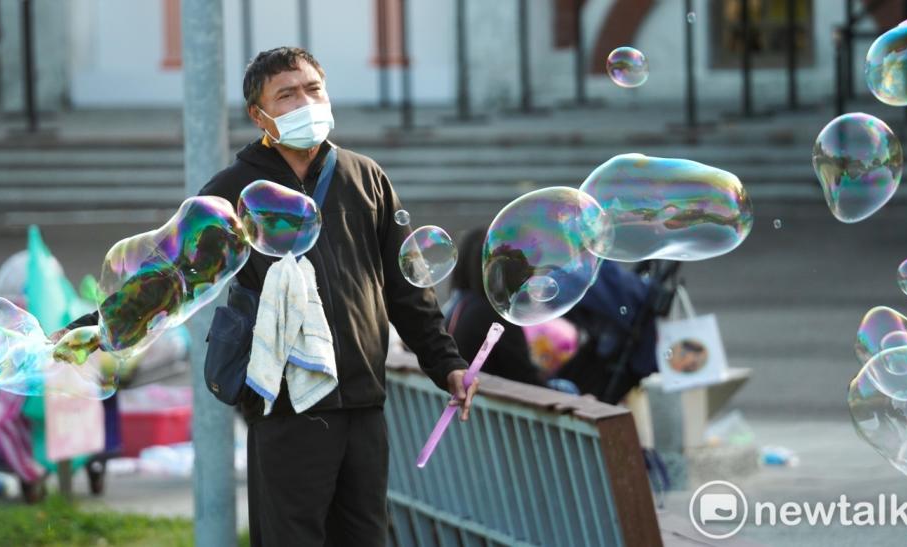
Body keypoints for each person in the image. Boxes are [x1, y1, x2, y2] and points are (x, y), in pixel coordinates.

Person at [58, 47, 475, 546]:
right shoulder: (235, 188)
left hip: (364, 403)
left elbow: (408, 288)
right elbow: (168, 275)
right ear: (260, 116)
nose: (306, 102)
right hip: (286, 408)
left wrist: (445, 361)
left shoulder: (365, 178)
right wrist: (94, 328)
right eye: (287, 94)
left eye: (313, 89)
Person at [443, 228, 549, 387]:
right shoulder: (494, 316)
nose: (531, 272)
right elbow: (527, 380)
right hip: (488, 407)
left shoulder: (461, 305)